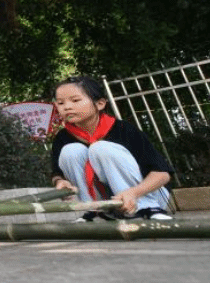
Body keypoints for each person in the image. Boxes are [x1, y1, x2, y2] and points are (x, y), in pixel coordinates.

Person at [50, 75, 173, 221]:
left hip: (147, 195)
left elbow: (163, 174)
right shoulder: (63, 137)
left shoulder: (124, 130)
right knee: (71, 151)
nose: (67, 107)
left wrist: (133, 193)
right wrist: (60, 182)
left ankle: (144, 208)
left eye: (75, 100)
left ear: (100, 103)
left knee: (100, 148)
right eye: (60, 103)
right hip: (109, 202)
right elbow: (58, 174)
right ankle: (95, 210)